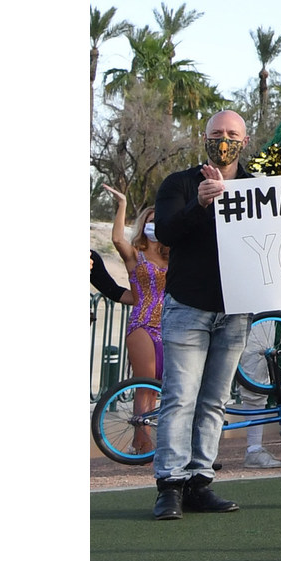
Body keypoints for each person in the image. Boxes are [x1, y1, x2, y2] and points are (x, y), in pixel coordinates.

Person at [146, 110, 265, 521]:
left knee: (215, 400)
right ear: (205, 138)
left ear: (245, 141)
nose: (225, 139)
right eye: (217, 133)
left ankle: (200, 480)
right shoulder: (179, 183)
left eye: (233, 134)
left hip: (234, 313)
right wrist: (199, 205)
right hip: (187, 306)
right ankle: (170, 485)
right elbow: (164, 232)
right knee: (179, 396)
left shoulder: (256, 189)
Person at [94, 189, 165, 452]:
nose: (152, 226)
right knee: (145, 383)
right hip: (143, 324)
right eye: (148, 221)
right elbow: (116, 239)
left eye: (158, 221)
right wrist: (122, 203)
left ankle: (153, 440)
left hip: (170, 326)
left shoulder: (177, 256)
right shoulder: (136, 255)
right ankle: (141, 440)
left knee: (160, 386)